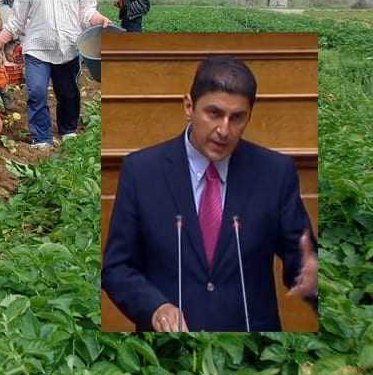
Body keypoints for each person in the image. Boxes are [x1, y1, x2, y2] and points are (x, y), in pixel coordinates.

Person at [101, 56, 318, 332]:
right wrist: (154, 307)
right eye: (214, 113)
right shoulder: (141, 170)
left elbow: (301, 260)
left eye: (237, 118)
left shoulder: (275, 172)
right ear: (189, 106)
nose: (224, 130)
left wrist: (315, 279)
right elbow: (117, 268)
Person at [0, 0, 112, 149]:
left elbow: (86, 11)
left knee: (68, 93)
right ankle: (42, 137)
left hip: (68, 48)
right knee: (36, 92)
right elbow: (17, 19)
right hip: (37, 48)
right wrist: (1, 39)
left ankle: (68, 130)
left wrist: (97, 18)